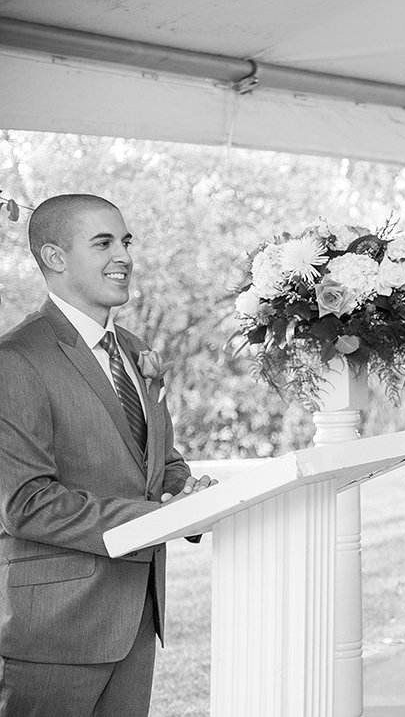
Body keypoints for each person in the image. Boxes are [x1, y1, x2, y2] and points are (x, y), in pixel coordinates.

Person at [0, 194, 213, 716]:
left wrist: (186, 492)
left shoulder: (135, 350)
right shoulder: (17, 359)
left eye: (125, 241)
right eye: (103, 243)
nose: (123, 255)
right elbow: (25, 502)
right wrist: (156, 517)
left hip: (136, 618)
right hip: (53, 629)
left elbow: (157, 461)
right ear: (54, 257)